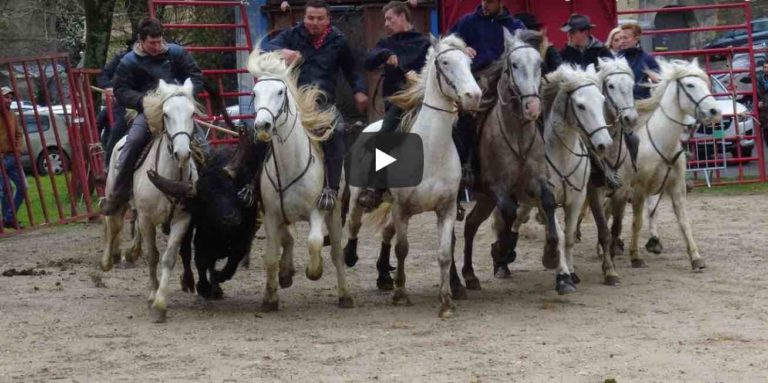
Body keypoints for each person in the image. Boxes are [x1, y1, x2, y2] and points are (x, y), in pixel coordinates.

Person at [264, 0, 369, 210]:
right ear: (304, 18)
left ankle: (331, 188)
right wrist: (281, 52)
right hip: (291, 103)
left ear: (328, 19)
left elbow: (353, 69)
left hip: (324, 103)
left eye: (319, 18)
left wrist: (359, 90)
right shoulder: (293, 34)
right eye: (310, 18)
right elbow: (265, 46)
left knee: (337, 131)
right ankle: (251, 186)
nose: (314, 22)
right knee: (261, 129)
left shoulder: (338, 40)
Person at [100, 18, 205, 215]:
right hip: (148, 111)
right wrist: (143, 101)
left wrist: (185, 93)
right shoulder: (128, 61)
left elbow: (196, 75)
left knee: (204, 146)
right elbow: (121, 91)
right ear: (141, 41)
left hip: (177, 109)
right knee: (132, 143)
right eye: (152, 43)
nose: (157, 47)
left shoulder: (176, 53)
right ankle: (119, 194)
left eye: (159, 42)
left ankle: (209, 192)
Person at [357, 1, 430, 209]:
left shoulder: (425, 43)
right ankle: (375, 187)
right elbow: (368, 60)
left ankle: (460, 180)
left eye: (390, 18)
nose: (386, 24)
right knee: (386, 133)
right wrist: (385, 55)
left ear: (403, 17)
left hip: (422, 100)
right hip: (397, 102)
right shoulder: (385, 44)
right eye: (385, 20)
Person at [448, 0, 526, 187]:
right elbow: (447, 44)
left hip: (509, 80)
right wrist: (461, 48)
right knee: (466, 116)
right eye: (483, 0)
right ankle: (464, 166)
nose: (485, 4)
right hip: (477, 79)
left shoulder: (516, 26)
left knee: (533, 110)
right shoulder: (467, 22)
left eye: (490, 1)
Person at [97, 36, 136, 166]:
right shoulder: (122, 58)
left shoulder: (155, 58)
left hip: (147, 102)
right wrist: (109, 86)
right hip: (124, 102)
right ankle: (108, 165)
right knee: (116, 128)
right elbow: (103, 75)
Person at [0, 86, 26, 229]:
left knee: (23, 186)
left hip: (12, 157)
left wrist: (18, 150)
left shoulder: (12, 115)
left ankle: (9, 218)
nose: (8, 100)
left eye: (10, 98)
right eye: (5, 97)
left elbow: (19, 134)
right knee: (3, 190)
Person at [618, 23, 661, 100]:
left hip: (642, 103)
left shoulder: (647, 59)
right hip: (621, 104)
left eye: (625, 38)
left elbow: (660, 81)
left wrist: (654, 78)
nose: (622, 41)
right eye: (620, 38)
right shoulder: (616, 58)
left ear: (636, 39)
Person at [757, 61, 768, 144]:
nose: (766, 69)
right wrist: (760, 101)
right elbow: (759, 93)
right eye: (765, 67)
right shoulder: (761, 79)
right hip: (765, 112)